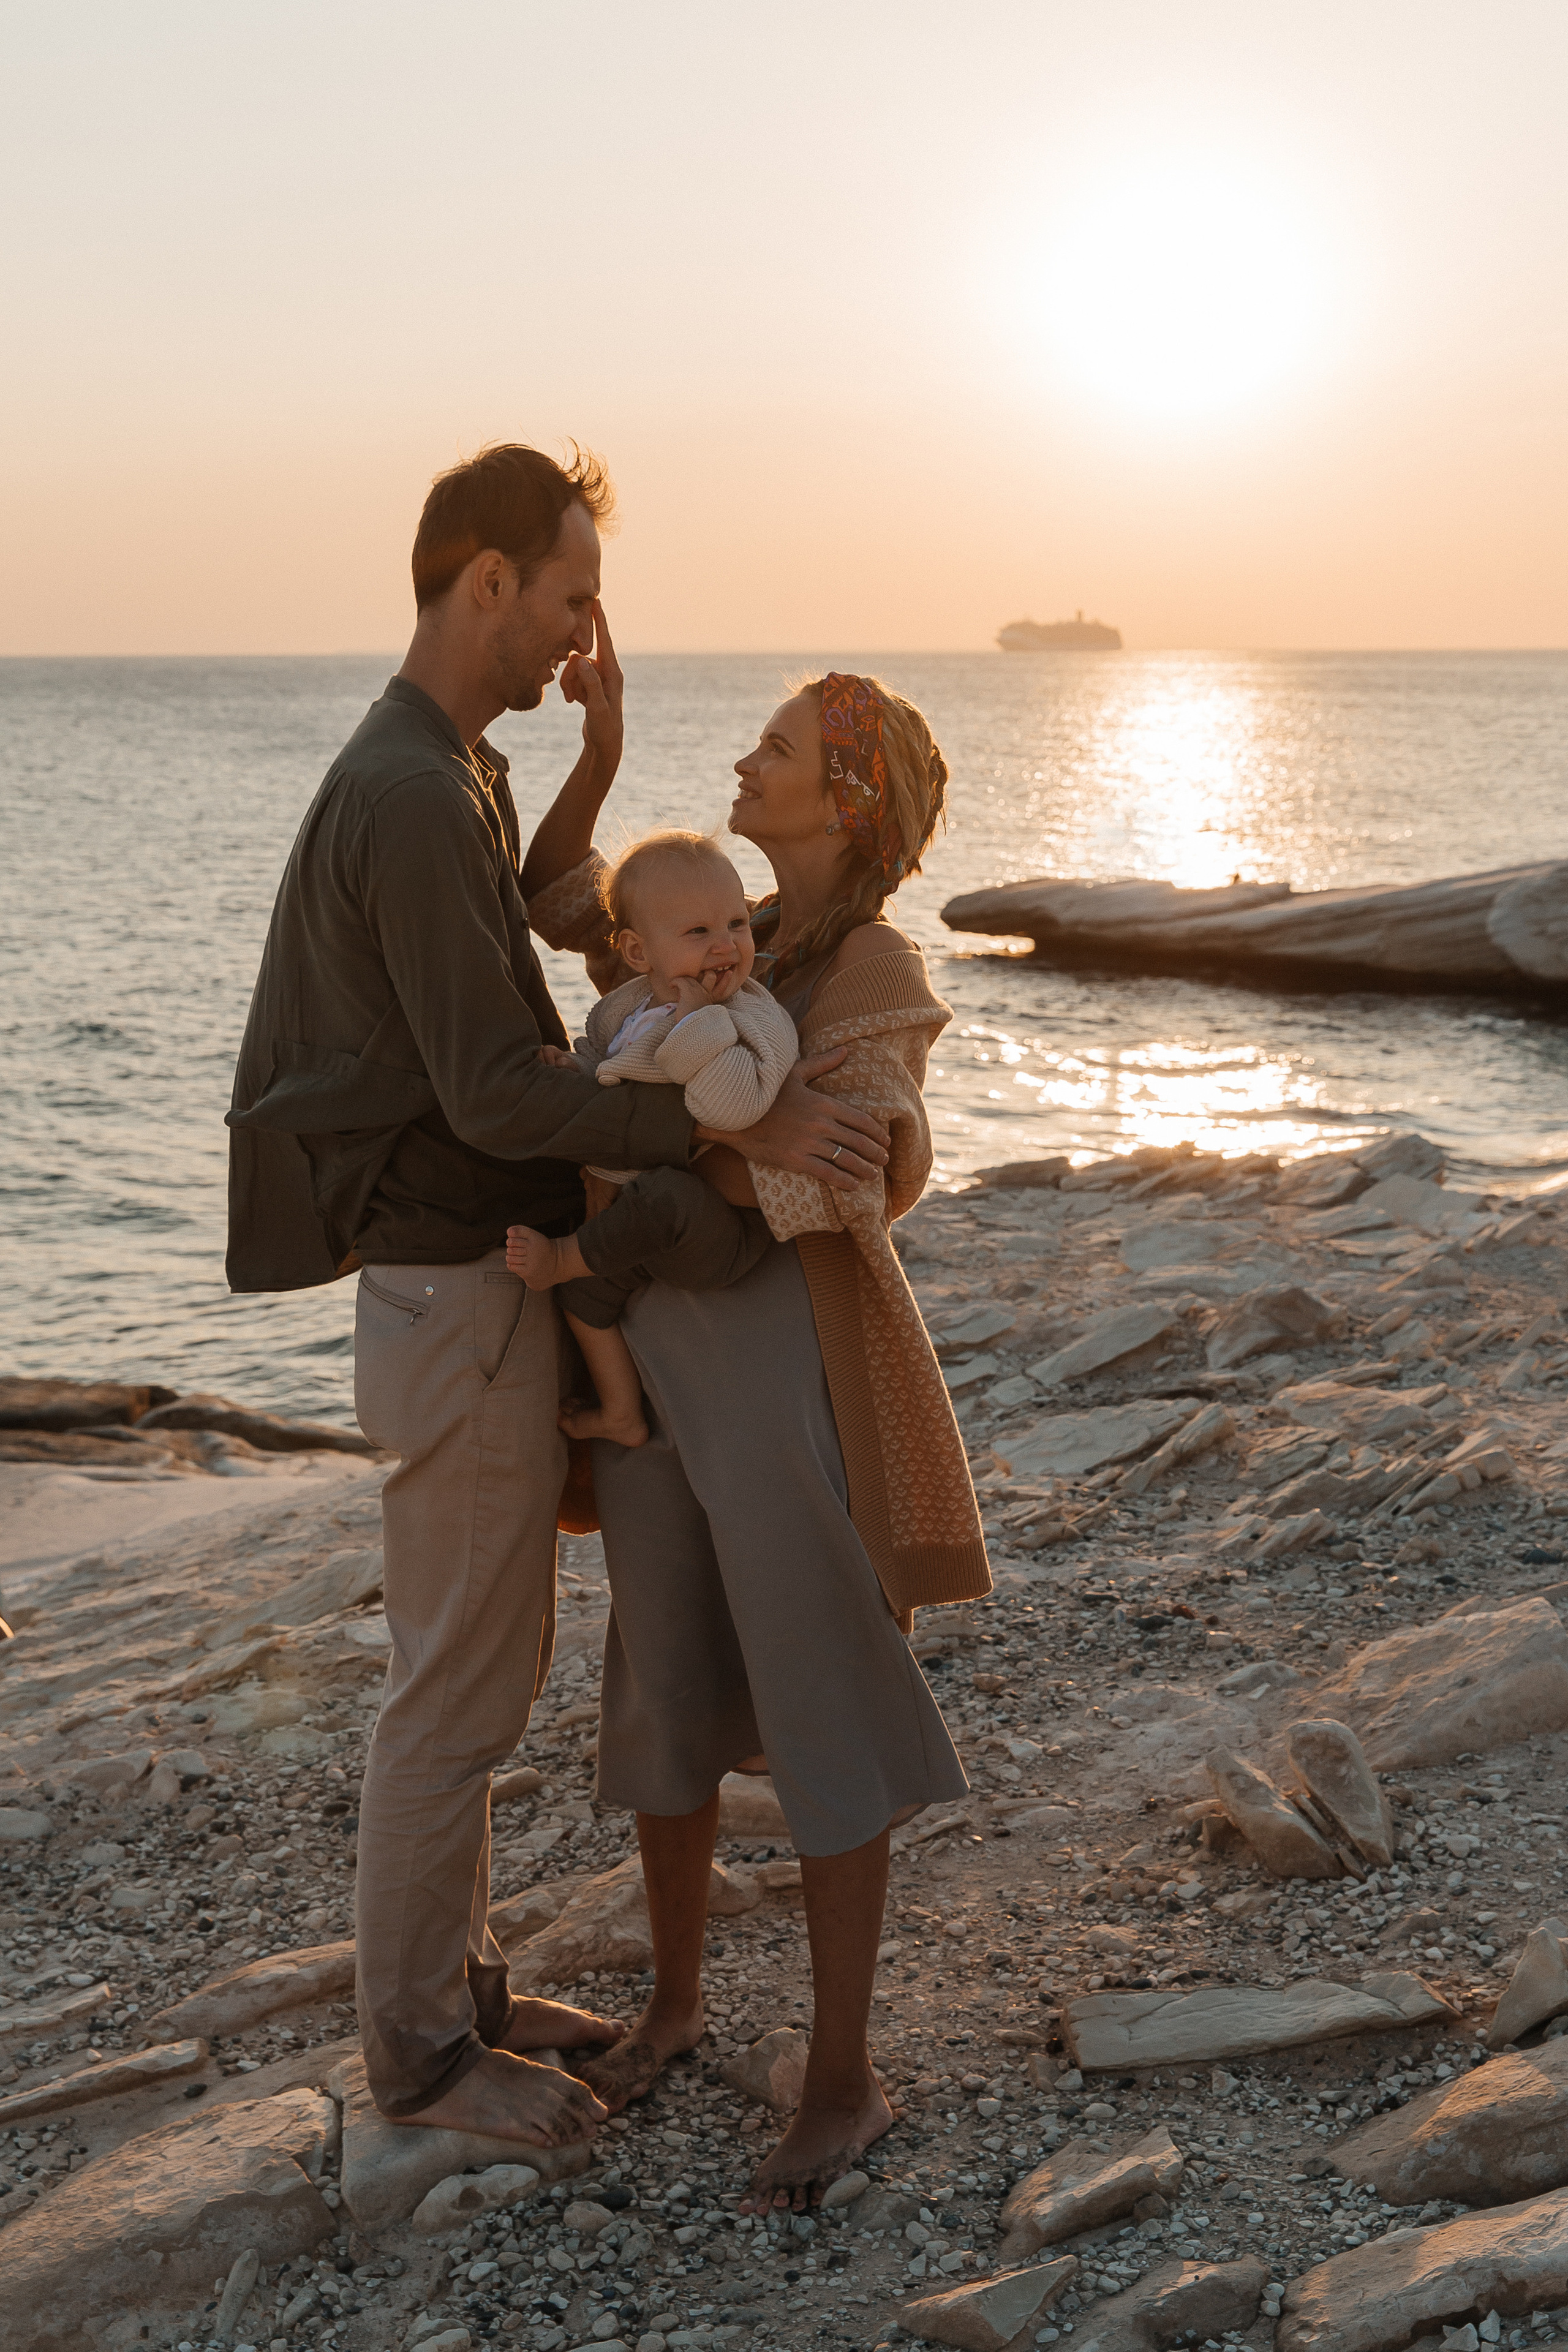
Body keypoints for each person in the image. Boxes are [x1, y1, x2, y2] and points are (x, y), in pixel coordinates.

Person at [225, 445, 891, 2149]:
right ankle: (420, 2057)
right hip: (453, 1291)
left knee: (479, 1667)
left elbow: (553, 913)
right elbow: (495, 1091)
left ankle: (463, 1995)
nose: (586, 633)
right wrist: (723, 1118)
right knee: (456, 1686)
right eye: (573, 598)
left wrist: (595, 755)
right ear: (488, 581)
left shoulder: (455, 772)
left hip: (476, 1285)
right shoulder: (407, 791)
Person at [526, 670, 991, 2206]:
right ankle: (673, 2007)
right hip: (653, 1364)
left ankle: (843, 2079)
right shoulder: (719, 919)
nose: (743, 757)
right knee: (661, 1677)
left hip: (783, 1372)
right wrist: (598, 747)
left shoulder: (867, 965)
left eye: (776, 747)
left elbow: (853, 1169)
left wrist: (699, 1144)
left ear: (843, 800)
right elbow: (554, 896)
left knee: (816, 1690)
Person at [504, 828, 799, 1447]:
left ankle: (565, 1257)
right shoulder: (632, 1006)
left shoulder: (752, 1015)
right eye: (697, 932)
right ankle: (620, 1413)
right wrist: (576, 1069)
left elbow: (734, 1106)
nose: (725, 946)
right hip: (631, 1208)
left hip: (710, 1227)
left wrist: (700, 1024)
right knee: (584, 1299)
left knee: (662, 1199)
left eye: (737, 924)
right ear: (638, 952)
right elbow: (611, 1060)